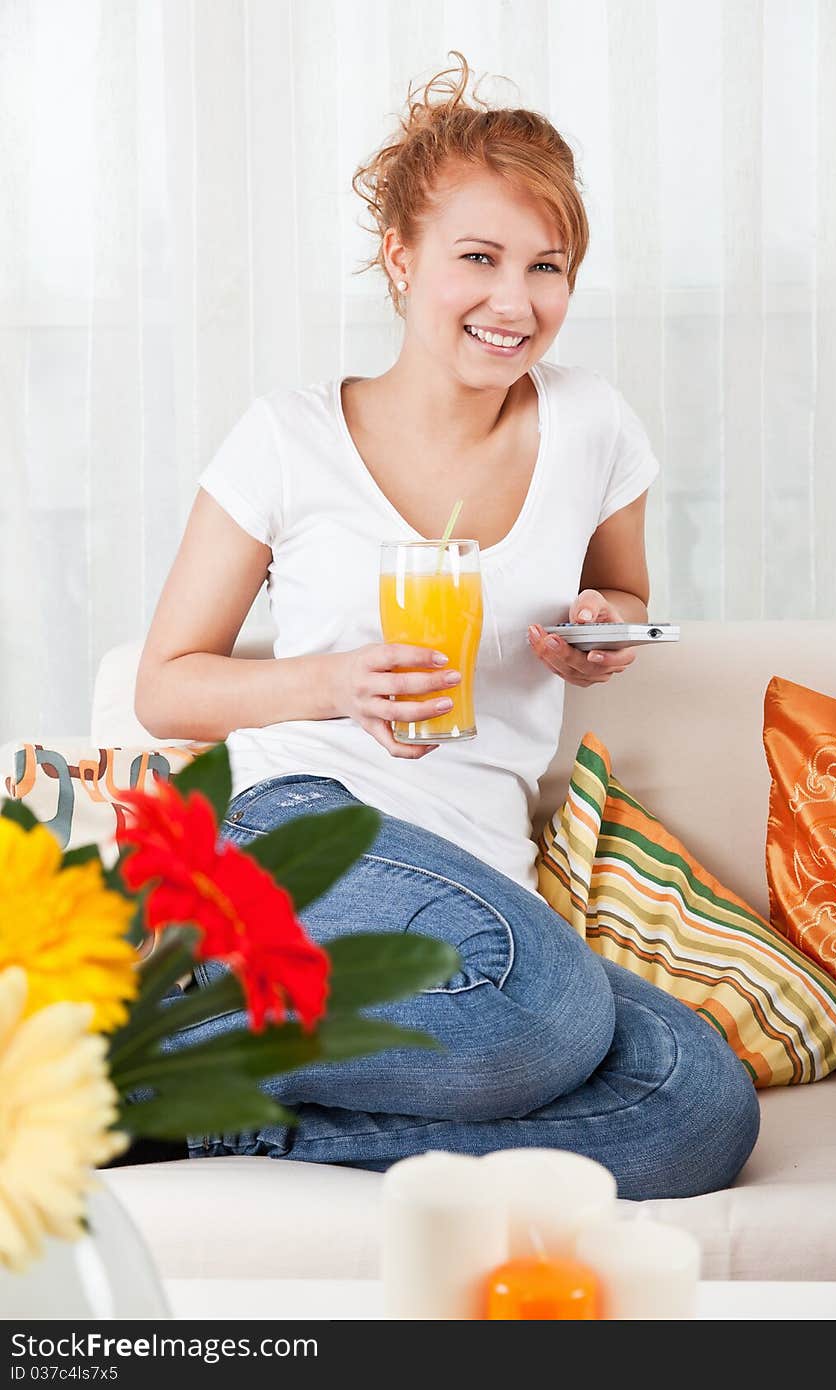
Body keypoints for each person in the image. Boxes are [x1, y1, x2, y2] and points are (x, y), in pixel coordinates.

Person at [133, 54, 759, 1197]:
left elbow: (622, 594)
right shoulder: (285, 437)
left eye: (545, 267)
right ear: (400, 257)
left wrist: (598, 627)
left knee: (698, 1104)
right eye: (477, 258)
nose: (512, 302)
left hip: (483, 879)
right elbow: (164, 684)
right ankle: (119, 1050)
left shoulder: (593, 427)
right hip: (292, 826)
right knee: (544, 1007)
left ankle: (193, 1112)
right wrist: (335, 684)